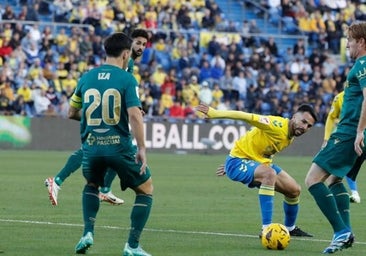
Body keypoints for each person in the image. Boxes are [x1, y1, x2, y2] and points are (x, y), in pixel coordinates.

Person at [68, 32, 153, 255]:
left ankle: (87, 233)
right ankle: (132, 246)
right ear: (126, 54)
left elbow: (72, 112)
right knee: (145, 190)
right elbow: (135, 115)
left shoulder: (86, 78)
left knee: (91, 186)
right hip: (119, 147)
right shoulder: (127, 79)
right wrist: (142, 148)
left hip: (92, 147)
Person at [45, 29, 149, 206]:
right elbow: (118, 87)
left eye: (144, 44)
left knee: (112, 147)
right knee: (115, 147)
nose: (140, 47)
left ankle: (103, 189)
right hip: (107, 111)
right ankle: (60, 180)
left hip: (105, 109)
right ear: (128, 45)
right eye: (137, 43)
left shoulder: (126, 63)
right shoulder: (127, 63)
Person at [196, 103, 317, 238]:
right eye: (303, 122)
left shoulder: (291, 134)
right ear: (294, 117)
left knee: (294, 190)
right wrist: (215, 113)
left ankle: (290, 228)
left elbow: (259, 146)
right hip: (238, 161)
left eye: (309, 126)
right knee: (269, 174)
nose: (305, 127)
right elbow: (247, 116)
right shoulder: (275, 125)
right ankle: (267, 230)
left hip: (256, 163)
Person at [304, 21, 366, 254]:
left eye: (350, 40)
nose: (347, 44)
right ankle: (345, 234)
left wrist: (359, 131)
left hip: (350, 132)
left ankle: (341, 232)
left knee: (313, 180)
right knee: (335, 180)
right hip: (357, 134)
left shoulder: (362, 65)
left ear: (361, 42)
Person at [323, 91, 362, 203]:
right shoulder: (339, 97)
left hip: (356, 137)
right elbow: (331, 117)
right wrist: (326, 138)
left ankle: (349, 195)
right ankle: (353, 193)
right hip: (345, 136)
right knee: (344, 167)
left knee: (332, 174)